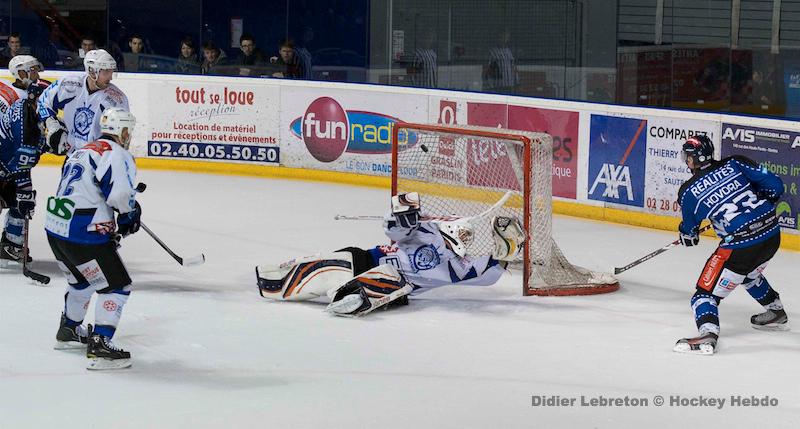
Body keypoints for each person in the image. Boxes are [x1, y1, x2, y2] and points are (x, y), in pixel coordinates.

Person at [255, 192, 526, 317]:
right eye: (464, 235)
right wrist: (405, 214)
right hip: (363, 260)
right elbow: (392, 228)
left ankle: (349, 296)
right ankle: (274, 278)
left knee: (385, 280)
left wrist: (505, 255)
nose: (465, 241)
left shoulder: (455, 265)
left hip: (392, 286)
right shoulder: (426, 231)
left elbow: (484, 276)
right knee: (312, 269)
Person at [45, 107, 140, 370]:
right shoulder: (117, 153)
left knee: (82, 282)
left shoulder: (82, 150)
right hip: (84, 233)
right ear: (123, 131)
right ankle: (100, 345)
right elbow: (120, 195)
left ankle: (68, 331)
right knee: (117, 286)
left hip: (56, 228)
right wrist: (129, 213)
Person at [674, 134, 787, 355]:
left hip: (741, 245)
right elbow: (776, 186)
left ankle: (707, 335)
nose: (686, 161)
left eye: (687, 157)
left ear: (692, 159)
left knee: (704, 295)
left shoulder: (688, 191)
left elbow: (689, 232)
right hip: (772, 233)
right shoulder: (736, 162)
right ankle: (776, 312)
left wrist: (688, 235)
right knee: (748, 274)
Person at [0, 82, 63, 266]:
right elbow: (22, 164)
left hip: (6, 170)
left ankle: (10, 246)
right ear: (36, 100)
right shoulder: (25, 123)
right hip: (8, 168)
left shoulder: (29, 110)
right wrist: (25, 194)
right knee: (23, 201)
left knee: (18, 202)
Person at [38, 49, 129, 154]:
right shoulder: (69, 84)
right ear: (92, 71)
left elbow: (121, 134)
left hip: (99, 157)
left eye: (111, 72)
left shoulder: (117, 100)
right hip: (72, 156)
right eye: (106, 72)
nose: (111, 77)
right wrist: (52, 124)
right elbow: (44, 102)